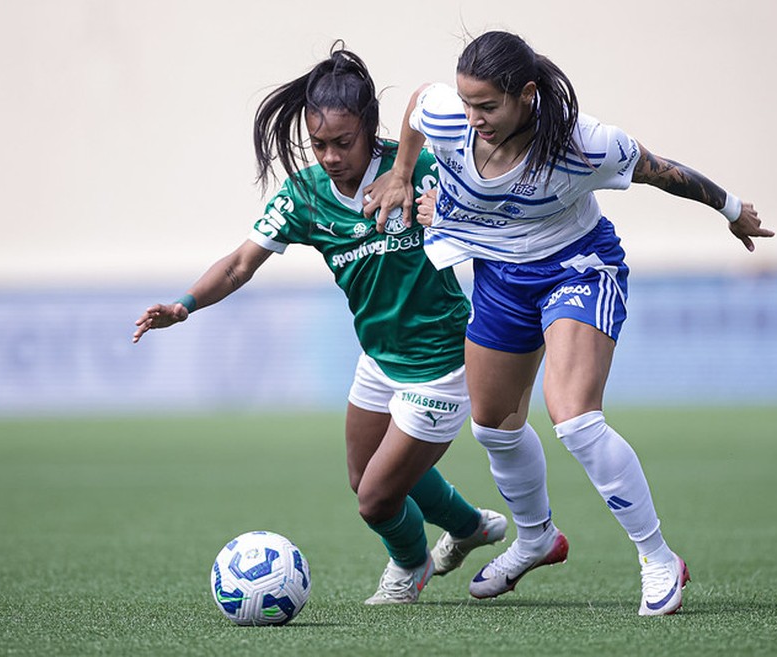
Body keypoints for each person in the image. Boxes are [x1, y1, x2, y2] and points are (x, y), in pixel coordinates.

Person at [363, 30, 775, 615]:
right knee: (493, 426)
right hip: (503, 276)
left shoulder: (585, 145)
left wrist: (733, 211)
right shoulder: (450, 116)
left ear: (526, 95)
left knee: (574, 416)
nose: (472, 117)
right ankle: (536, 539)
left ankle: (658, 557)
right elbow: (416, 109)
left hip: (578, 268)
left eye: (487, 106)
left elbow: (663, 170)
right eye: (466, 103)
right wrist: (403, 172)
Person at [131, 44, 506, 605]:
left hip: (440, 365)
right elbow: (239, 263)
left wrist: (441, 206)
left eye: (343, 143)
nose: (330, 156)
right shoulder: (305, 196)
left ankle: (410, 567)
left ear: (370, 130)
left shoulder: (422, 168)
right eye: (319, 144)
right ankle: (469, 526)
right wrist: (185, 304)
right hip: (379, 359)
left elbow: (446, 118)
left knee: (376, 500)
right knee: (363, 476)